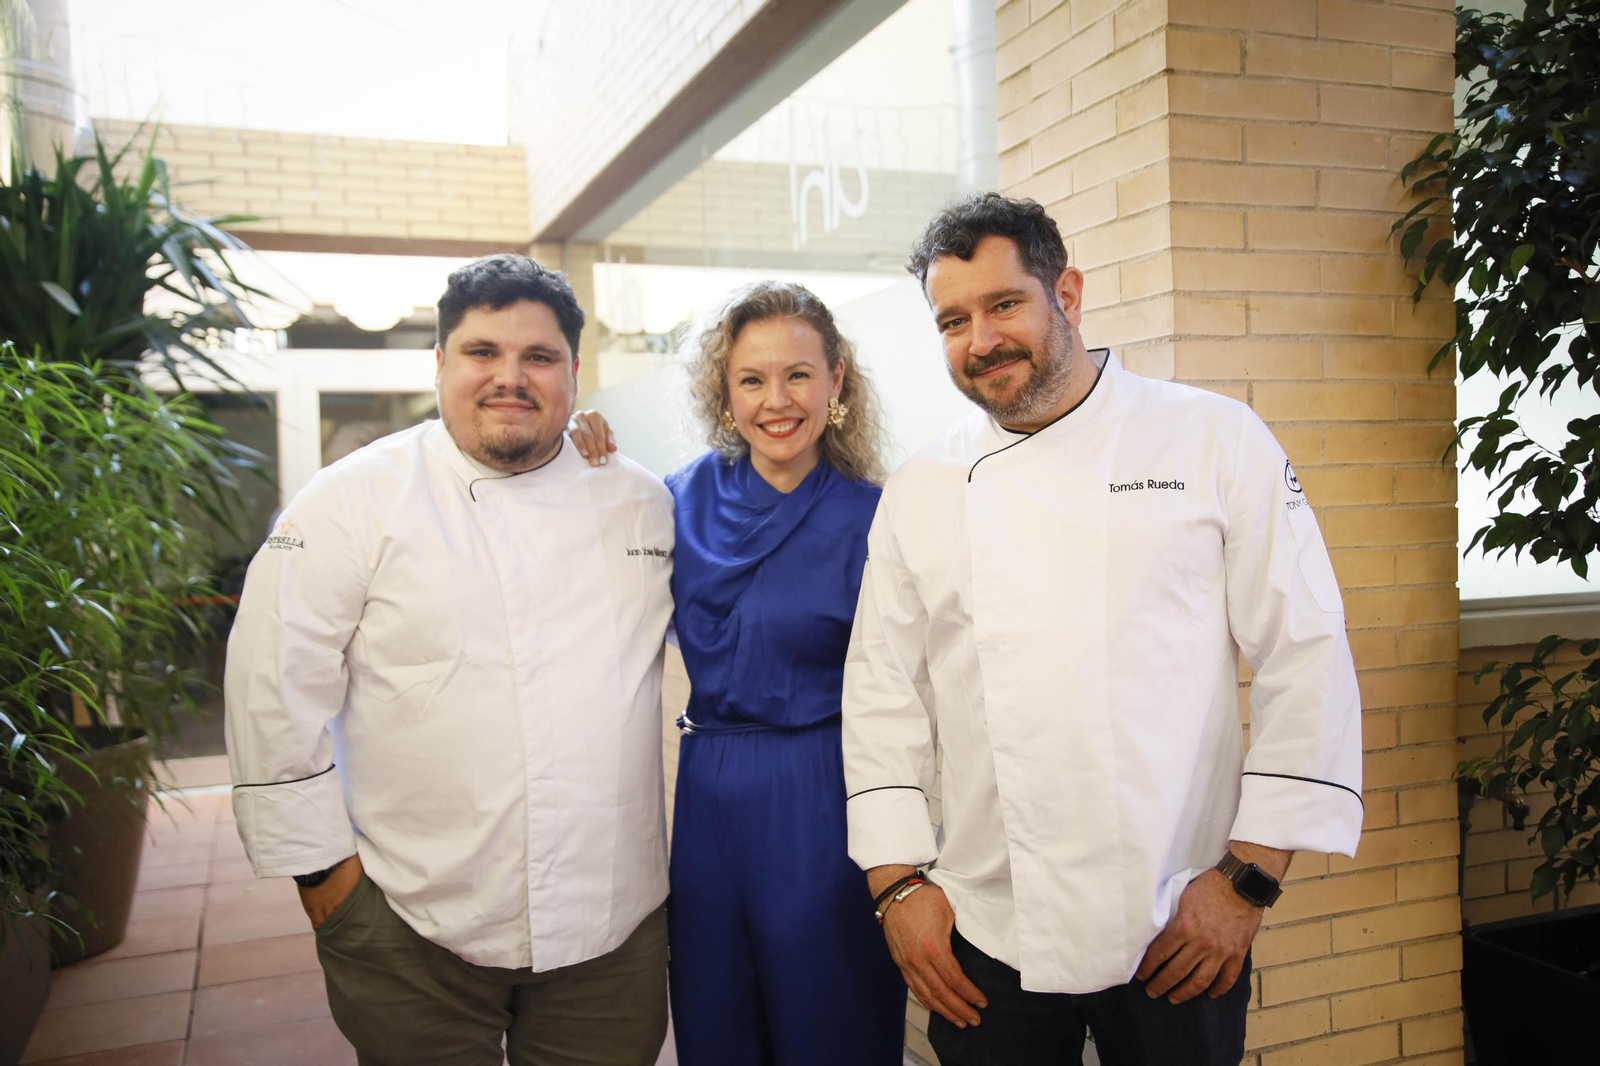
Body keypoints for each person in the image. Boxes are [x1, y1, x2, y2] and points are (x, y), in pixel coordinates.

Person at [840, 193, 1364, 1066]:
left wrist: (1249, 878)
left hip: (1176, 916)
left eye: (1004, 304)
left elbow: (1303, 651)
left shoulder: (1210, 438)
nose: (980, 341)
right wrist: (898, 886)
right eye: (953, 320)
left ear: (1068, 294)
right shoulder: (923, 486)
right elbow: (882, 691)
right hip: (986, 923)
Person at [224, 254, 674, 1066]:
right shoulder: (351, 501)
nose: (511, 377)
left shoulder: (642, 500)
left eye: (539, 357)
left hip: (612, 930)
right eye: (482, 353)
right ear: (438, 363)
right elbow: (272, 693)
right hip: (410, 929)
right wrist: (328, 883)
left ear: (575, 371)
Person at [570, 281, 908, 1066]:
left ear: (837, 382)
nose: (776, 400)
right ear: (725, 392)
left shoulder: (878, 518)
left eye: (797, 375)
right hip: (709, 797)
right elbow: (575, 530)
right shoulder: (672, 501)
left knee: (832, 1021)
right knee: (718, 1023)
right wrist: (575, 448)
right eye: (751, 379)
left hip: (827, 795)